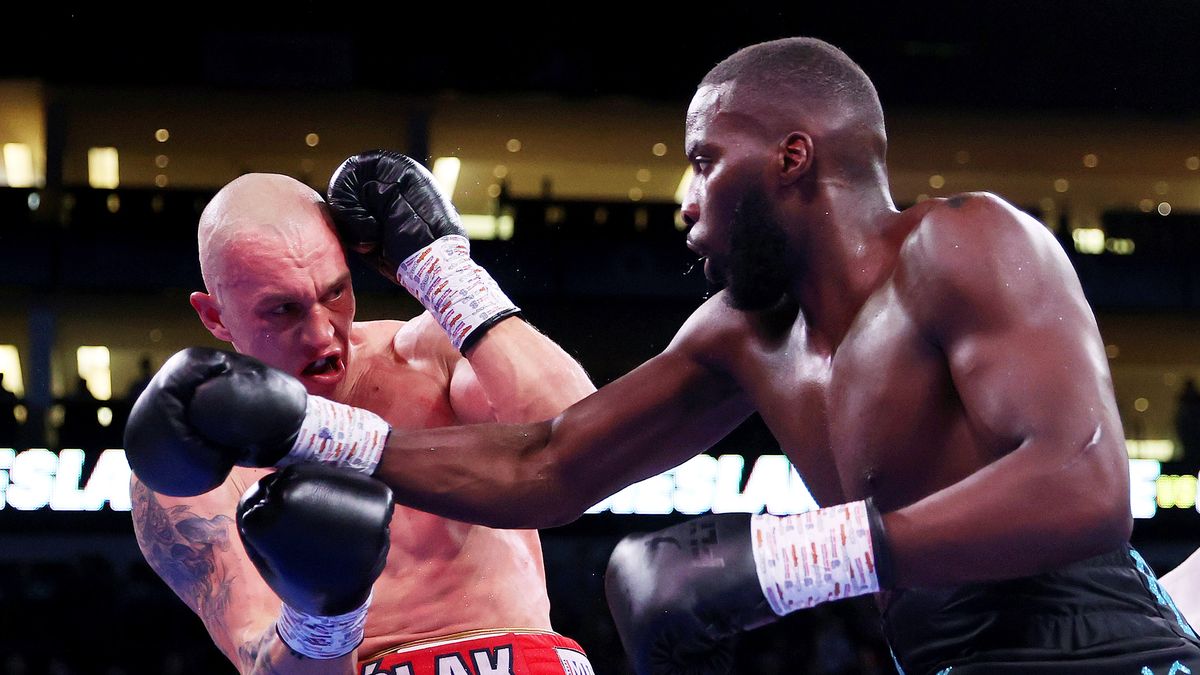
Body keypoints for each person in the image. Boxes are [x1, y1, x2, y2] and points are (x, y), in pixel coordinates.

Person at [124, 40, 1200, 673]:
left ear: (791, 156)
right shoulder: (743, 333)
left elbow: (1084, 485)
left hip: (1099, 646)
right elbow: (550, 461)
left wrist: (789, 560)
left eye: (701, 160)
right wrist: (308, 430)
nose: (683, 198)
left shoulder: (965, 240)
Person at [126, 156, 596, 674]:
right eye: (281, 310)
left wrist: (452, 280)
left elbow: (588, 449)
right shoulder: (204, 456)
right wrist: (325, 615)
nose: (323, 333)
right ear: (215, 316)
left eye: (335, 292)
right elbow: (260, 661)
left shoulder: (427, 353)